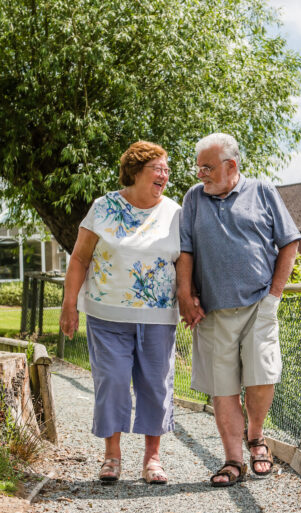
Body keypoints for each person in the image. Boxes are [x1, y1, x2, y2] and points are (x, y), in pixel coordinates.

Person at [177, 133, 300, 487]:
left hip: (258, 303)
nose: (201, 173)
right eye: (198, 166)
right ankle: (232, 460)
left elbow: (290, 242)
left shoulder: (262, 191)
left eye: (208, 167)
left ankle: (256, 438)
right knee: (222, 387)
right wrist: (186, 295)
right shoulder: (194, 198)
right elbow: (185, 250)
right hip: (213, 310)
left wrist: (274, 297)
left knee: (262, 374)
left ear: (231, 165)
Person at [60, 141, 181, 484]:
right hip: (107, 314)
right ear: (136, 170)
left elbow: (183, 259)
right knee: (111, 381)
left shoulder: (175, 212)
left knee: (156, 384)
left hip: (157, 316)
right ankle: (111, 456)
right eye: (158, 168)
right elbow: (80, 257)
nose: (165, 174)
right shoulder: (103, 207)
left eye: (167, 169)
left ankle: (152, 458)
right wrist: (70, 305)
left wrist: (187, 296)